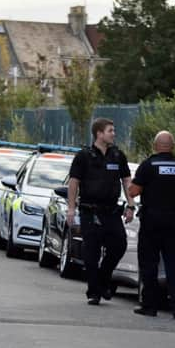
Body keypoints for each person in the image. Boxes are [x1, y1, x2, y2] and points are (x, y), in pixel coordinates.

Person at [128, 131, 175, 319]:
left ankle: (150, 306)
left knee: (149, 264)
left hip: (152, 222)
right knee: (174, 265)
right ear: (173, 146)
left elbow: (134, 191)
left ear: (155, 146)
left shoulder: (148, 165)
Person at [67, 118, 136, 305]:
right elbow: (74, 183)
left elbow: (127, 181)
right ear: (99, 133)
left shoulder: (117, 155)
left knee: (119, 245)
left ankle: (103, 278)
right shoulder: (84, 156)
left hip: (111, 211)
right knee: (91, 253)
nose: (114, 134)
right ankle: (94, 292)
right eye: (110, 131)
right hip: (90, 211)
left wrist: (131, 205)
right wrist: (71, 208)